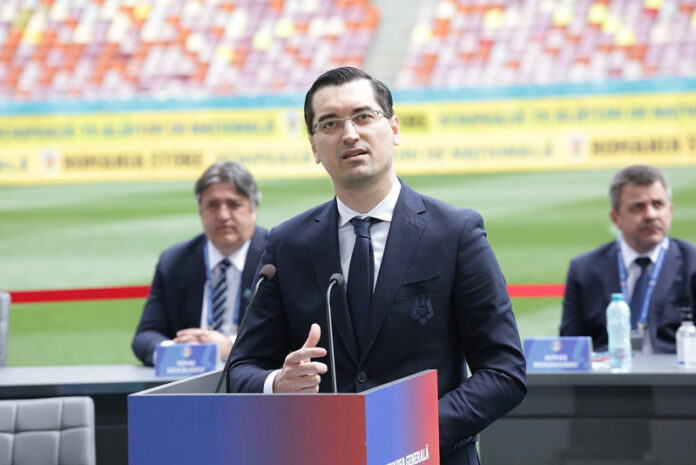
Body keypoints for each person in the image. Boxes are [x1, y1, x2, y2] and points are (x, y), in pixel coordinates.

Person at [227, 67, 526, 465]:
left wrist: (409, 430)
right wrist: (278, 383)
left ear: (394, 128)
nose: (349, 134)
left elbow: (504, 372)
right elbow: (241, 368)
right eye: (330, 124)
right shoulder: (287, 244)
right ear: (314, 146)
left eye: (363, 116)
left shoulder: (455, 233)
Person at [132, 161, 267, 366]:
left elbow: (289, 335)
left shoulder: (275, 258)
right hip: (190, 376)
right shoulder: (174, 261)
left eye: (233, 204)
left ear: (253, 209)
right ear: (200, 211)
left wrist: (230, 347)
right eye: (212, 205)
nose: (223, 215)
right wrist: (179, 352)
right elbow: (145, 335)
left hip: (253, 377)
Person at [561, 164, 696, 353]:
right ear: (616, 218)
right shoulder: (584, 270)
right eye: (638, 207)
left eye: (658, 204)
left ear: (670, 210)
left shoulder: (692, 263)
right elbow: (569, 349)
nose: (651, 214)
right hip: (610, 370)